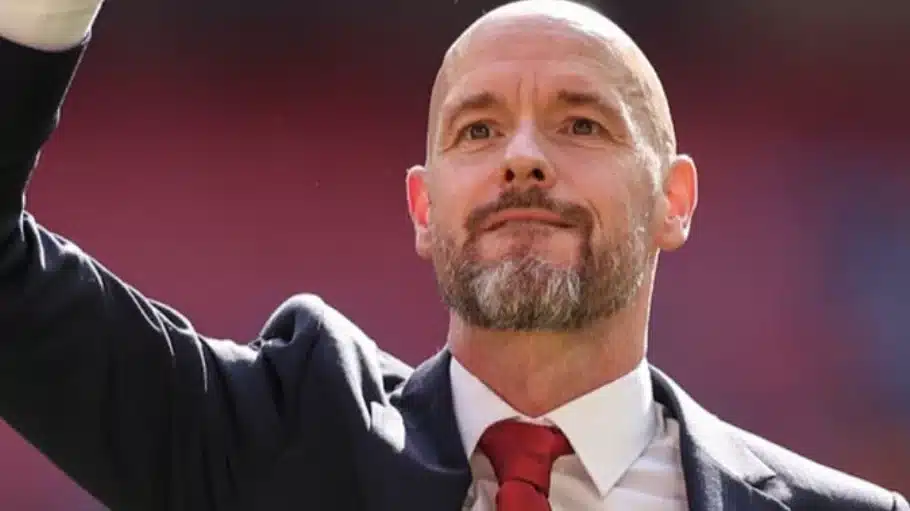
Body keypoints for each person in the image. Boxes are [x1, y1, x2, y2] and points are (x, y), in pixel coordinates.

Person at [0, 0, 906, 510]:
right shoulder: (285, 440)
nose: (523, 156)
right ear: (425, 209)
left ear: (674, 200)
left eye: (581, 124)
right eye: (478, 129)